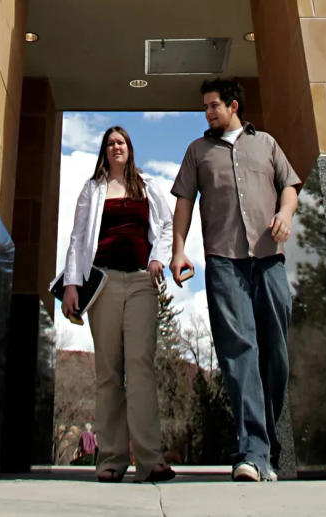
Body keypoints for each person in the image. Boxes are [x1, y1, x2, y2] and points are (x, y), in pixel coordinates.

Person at [170, 78, 300, 483]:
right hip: (224, 261)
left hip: (268, 259)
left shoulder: (266, 144)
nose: (208, 113)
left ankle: (268, 447)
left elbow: (290, 187)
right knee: (239, 351)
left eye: (213, 106)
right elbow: (184, 203)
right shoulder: (198, 151)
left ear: (233, 105)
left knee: (275, 353)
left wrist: (285, 214)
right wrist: (178, 250)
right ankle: (251, 451)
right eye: (205, 107)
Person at [61, 125, 175, 483]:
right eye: (110, 143)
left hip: (141, 282)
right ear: (104, 151)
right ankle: (110, 458)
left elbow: (167, 227)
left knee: (140, 367)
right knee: (109, 372)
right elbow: (78, 236)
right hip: (104, 283)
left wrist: (158, 257)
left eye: (121, 142)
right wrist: (71, 284)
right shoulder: (92, 189)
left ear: (130, 148)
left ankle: (150, 458)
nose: (115, 147)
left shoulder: (148, 187)